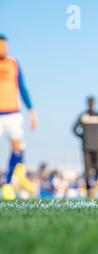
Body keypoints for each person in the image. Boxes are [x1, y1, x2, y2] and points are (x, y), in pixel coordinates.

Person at [0, 34, 38, 200]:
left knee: (18, 148)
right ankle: (17, 177)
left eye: (5, 46)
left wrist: (31, 109)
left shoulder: (13, 63)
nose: (3, 48)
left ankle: (8, 184)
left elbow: (22, 86)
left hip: (13, 113)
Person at [73, 96, 98, 198]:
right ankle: (89, 190)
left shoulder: (96, 116)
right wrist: (83, 137)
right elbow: (74, 129)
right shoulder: (86, 116)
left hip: (94, 146)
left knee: (94, 167)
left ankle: (93, 188)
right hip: (89, 146)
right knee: (89, 168)